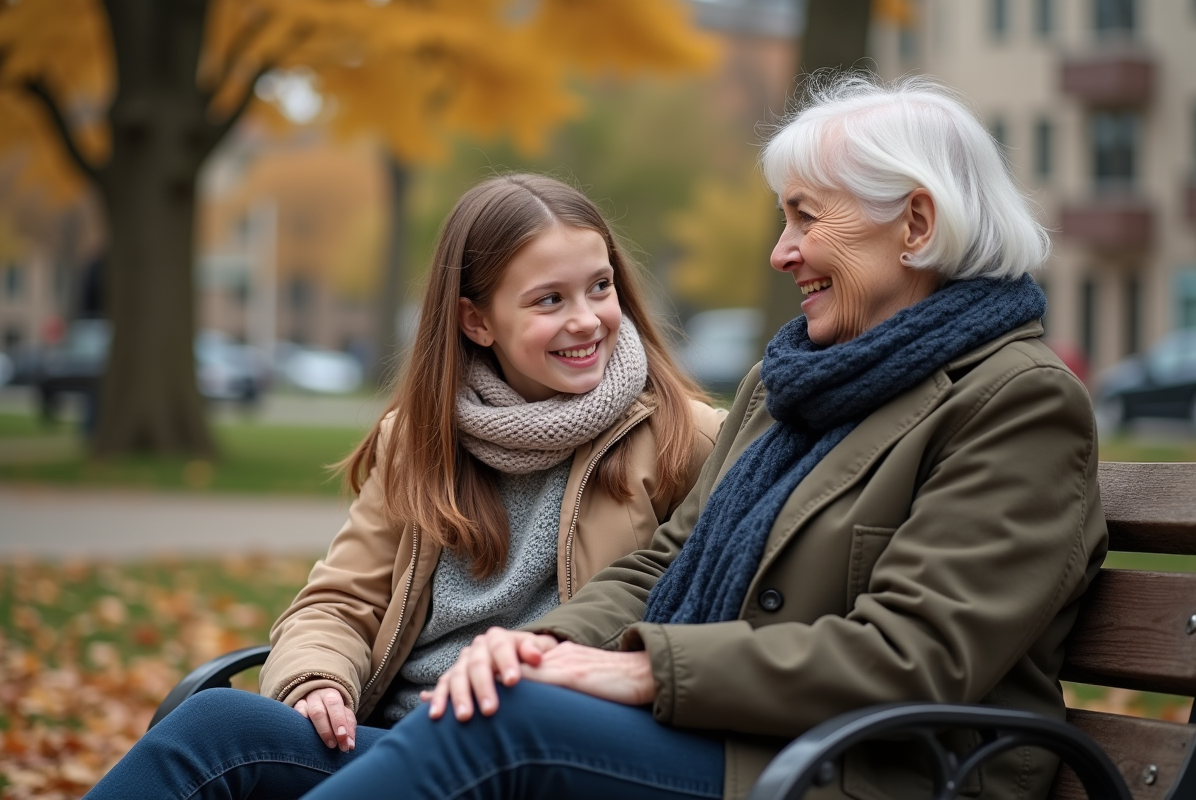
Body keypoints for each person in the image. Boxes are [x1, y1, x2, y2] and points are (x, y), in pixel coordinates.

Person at [293, 74, 1109, 800]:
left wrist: (642, 668)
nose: (780, 251)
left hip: (868, 769)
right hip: (747, 743)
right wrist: (535, 648)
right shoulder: (792, 385)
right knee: (233, 729)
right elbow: (665, 565)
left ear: (916, 224)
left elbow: (911, 655)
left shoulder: (1018, 403)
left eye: (804, 218)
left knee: (505, 726)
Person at [83, 174, 724, 799]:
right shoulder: (418, 438)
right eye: (548, 299)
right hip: (390, 742)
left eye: (599, 287)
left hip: (535, 751)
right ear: (476, 321)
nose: (586, 320)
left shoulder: (684, 439)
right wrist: (316, 679)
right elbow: (337, 603)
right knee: (215, 723)